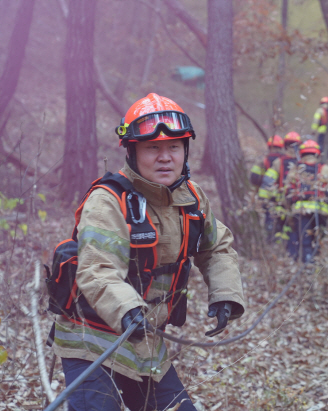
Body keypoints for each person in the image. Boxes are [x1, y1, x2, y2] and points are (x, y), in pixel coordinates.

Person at [52, 93, 245, 410]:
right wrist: (128, 308)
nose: (165, 157)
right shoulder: (108, 200)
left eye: (174, 147)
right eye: (152, 148)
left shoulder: (192, 198)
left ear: (185, 150)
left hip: (146, 342)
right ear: (132, 151)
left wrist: (225, 292)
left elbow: (217, 246)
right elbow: (96, 270)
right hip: (93, 341)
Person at [284, 140, 328, 262]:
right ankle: (315, 265)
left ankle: (306, 264)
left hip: (300, 212)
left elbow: (287, 192)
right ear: (317, 154)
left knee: (305, 241)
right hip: (321, 211)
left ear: (301, 154)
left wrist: (289, 212)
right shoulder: (325, 169)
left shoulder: (295, 170)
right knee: (318, 240)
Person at [260, 131, 303, 242]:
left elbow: (268, 181)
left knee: (276, 230)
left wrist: (265, 200)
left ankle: (275, 249)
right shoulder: (302, 164)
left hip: (279, 204)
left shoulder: (279, 162)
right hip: (298, 205)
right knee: (295, 232)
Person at [250, 135, 285, 239]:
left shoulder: (263, 160)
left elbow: (254, 178)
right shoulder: (284, 160)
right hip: (282, 196)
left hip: (266, 195)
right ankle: (280, 241)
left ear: (269, 146)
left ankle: (269, 239)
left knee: (269, 218)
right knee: (282, 219)